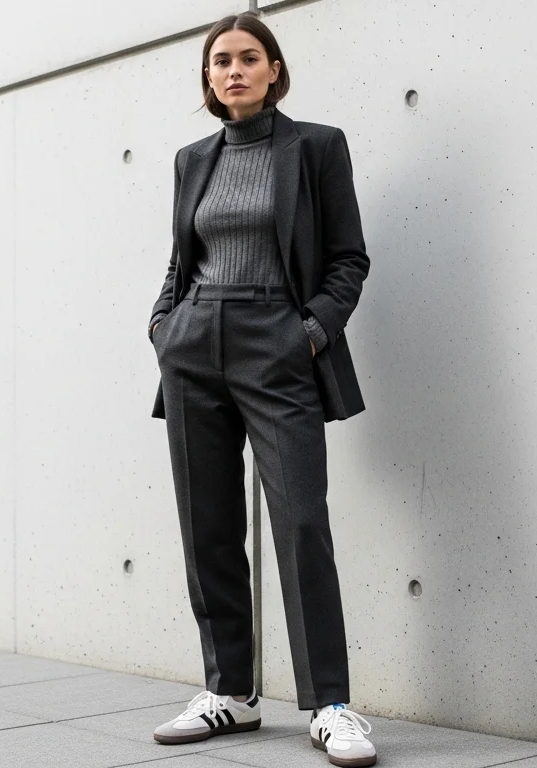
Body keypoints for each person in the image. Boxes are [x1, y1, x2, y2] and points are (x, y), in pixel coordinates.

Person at [146, 12, 375, 768]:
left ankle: (330, 703)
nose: (234, 70)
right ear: (209, 79)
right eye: (221, 61)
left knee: (302, 519)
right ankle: (231, 693)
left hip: (277, 342)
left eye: (249, 57)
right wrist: (164, 326)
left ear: (274, 69)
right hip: (194, 345)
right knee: (207, 526)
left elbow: (348, 259)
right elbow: (182, 263)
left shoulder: (315, 147)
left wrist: (307, 334)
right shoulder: (191, 159)